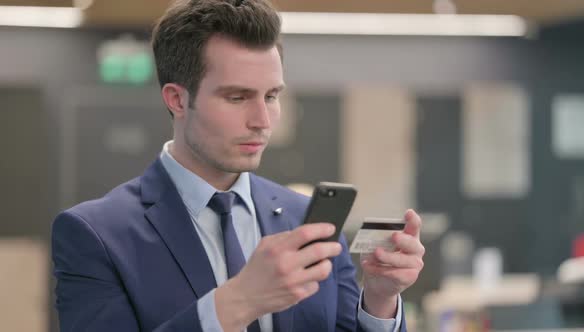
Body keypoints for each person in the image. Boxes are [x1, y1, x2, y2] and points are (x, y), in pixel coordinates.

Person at [51, 0, 425, 331]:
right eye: (237, 97)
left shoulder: (306, 221)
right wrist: (238, 302)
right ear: (178, 100)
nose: (262, 119)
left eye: (272, 96)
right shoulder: (96, 235)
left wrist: (378, 300)